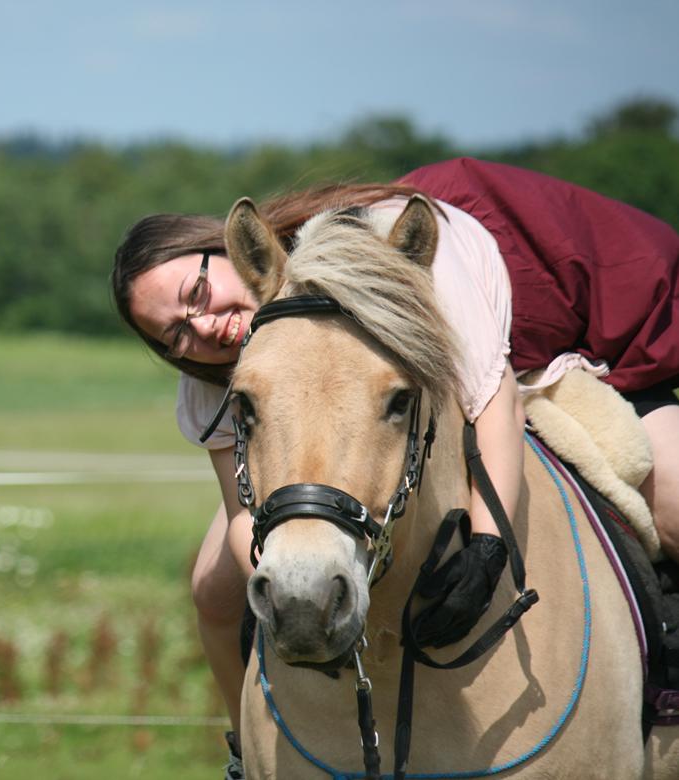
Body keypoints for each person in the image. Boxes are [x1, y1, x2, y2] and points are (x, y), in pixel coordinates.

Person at [110, 157, 679, 779]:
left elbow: (494, 405)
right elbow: (242, 513)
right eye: (172, 335)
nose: (202, 327)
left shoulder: (410, 259)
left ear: (232, 251)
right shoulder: (212, 369)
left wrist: (489, 546)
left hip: (583, 338)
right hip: (327, 444)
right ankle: (246, 754)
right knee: (210, 591)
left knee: (674, 506)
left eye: (196, 294)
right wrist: (291, 597)